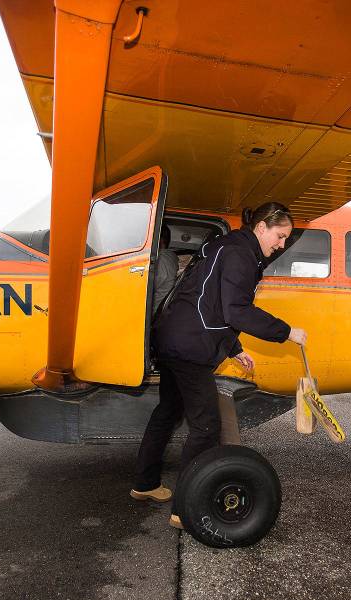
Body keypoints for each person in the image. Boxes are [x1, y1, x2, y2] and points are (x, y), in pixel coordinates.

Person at [129, 202, 308, 528]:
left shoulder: (229, 247)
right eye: (280, 236)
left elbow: (207, 301)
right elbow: (235, 311)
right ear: (262, 227)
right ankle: (185, 509)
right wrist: (286, 331)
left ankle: (144, 484)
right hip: (190, 347)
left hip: (174, 337)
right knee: (206, 426)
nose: (281, 244)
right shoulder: (240, 255)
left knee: (167, 412)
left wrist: (234, 347)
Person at [151, 225, 179, 315]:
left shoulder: (161, 259)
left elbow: (150, 287)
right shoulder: (170, 257)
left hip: (153, 312)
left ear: (159, 239)